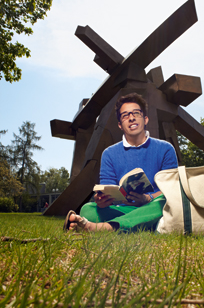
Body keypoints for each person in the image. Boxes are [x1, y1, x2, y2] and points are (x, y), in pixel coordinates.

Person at [64, 93, 178, 233]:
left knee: (164, 203)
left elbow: (172, 189)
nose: (131, 118)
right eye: (125, 115)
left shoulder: (166, 149)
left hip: (153, 206)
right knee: (87, 209)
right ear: (120, 125)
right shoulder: (109, 154)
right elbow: (107, 187)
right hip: (123, 209)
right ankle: (139, 225)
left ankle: (105, 228)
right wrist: (101, 200)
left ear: (145, 119)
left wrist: (148, 198)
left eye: (136, 113)